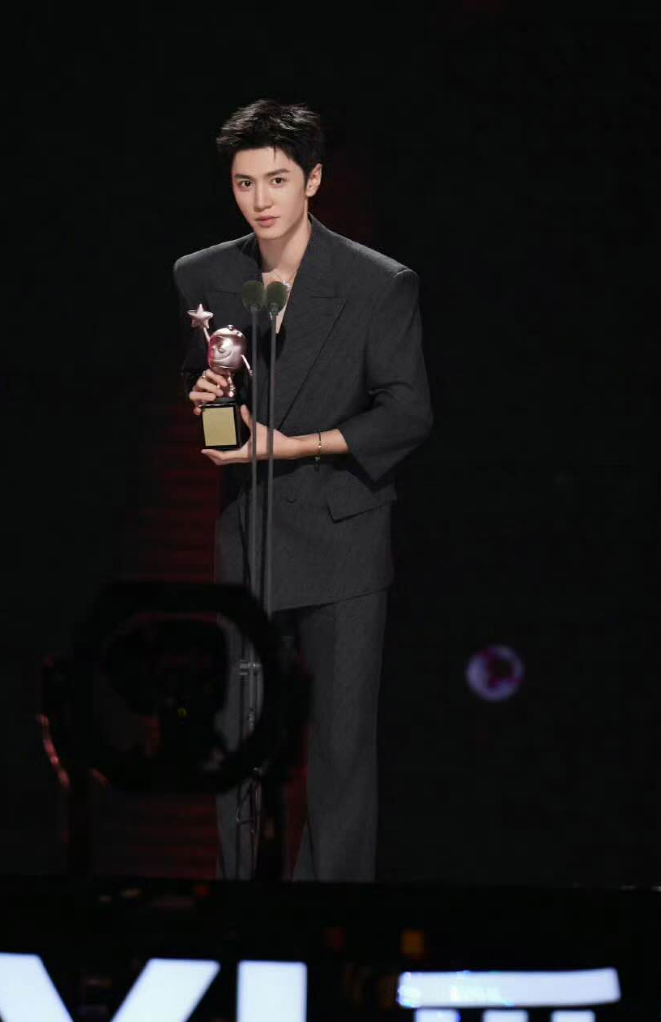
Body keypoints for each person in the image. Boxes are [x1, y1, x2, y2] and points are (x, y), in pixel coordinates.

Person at [173, 99, 432, 882]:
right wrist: (206, 399)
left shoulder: (377, 283)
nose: (261, 200)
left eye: (278, 180)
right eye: (245, 183)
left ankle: (330, 914)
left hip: (343, 529)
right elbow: (207, 377)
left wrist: (294, 444)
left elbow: (407, 411)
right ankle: (239, 902)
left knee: (342, 745)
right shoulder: (204, 274)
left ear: (313, 180)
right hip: (250, 527)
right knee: (237, 733)